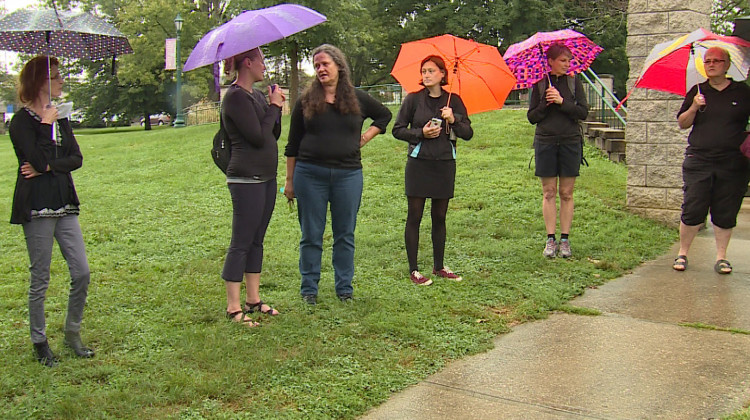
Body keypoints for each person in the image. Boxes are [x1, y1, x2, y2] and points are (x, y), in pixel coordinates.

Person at [283, 44, 391, 305]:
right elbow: (292, 143)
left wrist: (364, 137)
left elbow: (384, 115)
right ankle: (309, 289)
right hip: (309, 175)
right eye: (316, 65)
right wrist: (289, 181)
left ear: (339, 66)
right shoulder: (306, 100)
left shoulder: (357, 98)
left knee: (345, 234)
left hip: (348, 175)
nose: (320, 69)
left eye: (325, 64)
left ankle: (344, 289)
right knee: (311, 233)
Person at [9, 56, 94, 366]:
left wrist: (47, 167)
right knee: (40, 276)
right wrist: (45, 125)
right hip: (36, 205)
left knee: (81, 271)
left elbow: (75, 158)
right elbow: (35, 155)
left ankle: (72, 333)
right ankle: (39, 341)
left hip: (64, 201)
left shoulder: (62, 116)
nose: (61, 82)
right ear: (40, 82)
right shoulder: (20, 122)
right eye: (56, 77)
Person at [392, 55, 473, 285]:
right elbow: (397, 130)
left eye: (431, 71)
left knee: (439, 216)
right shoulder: (413, 100)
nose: (426, 75)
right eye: (424, 71)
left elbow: (468, 133)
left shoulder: (453, 101)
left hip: (444, 164)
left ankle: (439, 267)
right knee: (414, 216)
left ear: (442, 74)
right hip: (419, 164)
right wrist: (421, 134)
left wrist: (454, 119)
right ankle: (414, 270)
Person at [220, 47, 285, 325]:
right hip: (246, 179)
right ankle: (233, 307)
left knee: (257, 239)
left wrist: (276, 107)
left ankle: (253, 299)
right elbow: (258, 137)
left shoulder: (256, 96)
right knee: (242, 241)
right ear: (247, 62)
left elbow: (274, 133)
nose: (264, 67)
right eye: (261, 61)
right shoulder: (234, 97)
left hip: (267, 178)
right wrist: (273, 108)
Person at [672, 46, 750, 274]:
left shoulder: (742, 92)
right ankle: (683, 253)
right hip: (700, 159)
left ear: (727, 65)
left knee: (726, 210)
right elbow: (682, 123)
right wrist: (695, 107)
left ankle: (721, 257)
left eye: (717, 61)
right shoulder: (697, 91)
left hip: (733, 161)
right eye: (708, 61)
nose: (712, 64)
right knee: (693, 207)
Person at [527, 43, 589, 258]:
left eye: (569, 60)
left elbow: (582, 112)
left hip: (570, 142)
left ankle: (565, 239)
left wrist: (562, 102)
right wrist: (546, 102)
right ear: (550, 61)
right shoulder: (540, 85)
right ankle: (550, 239)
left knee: (566, 193)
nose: (567, 64)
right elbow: (532, 117)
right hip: (545, 143)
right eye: (563, 60)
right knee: (549, 192)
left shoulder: (574, 83)